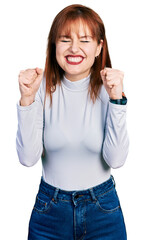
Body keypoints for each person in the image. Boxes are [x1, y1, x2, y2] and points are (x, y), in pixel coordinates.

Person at [16, 4, 129, 240]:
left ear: (99, 47)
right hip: (49, 212)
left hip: (103, 212)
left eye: (85, 40)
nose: (74, 48)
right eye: (65, 39)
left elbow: (116, 160)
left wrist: (118, 100)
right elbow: (28, 159)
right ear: (54, 45)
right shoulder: (39, 86)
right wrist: (27, 99)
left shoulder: (109, 89)